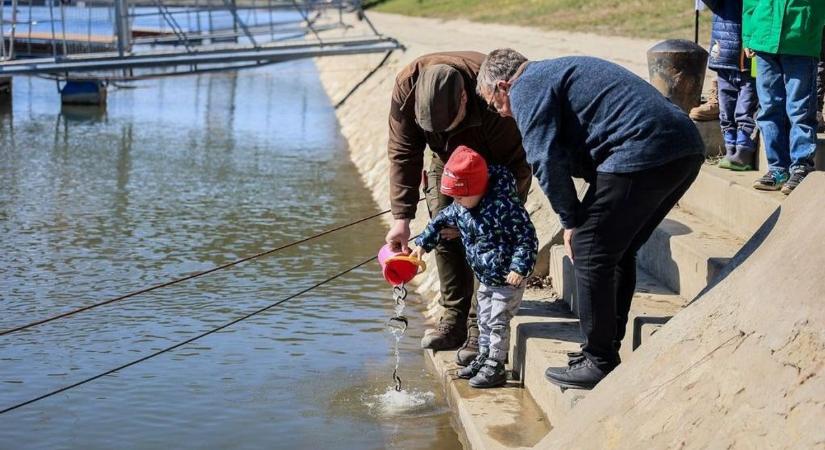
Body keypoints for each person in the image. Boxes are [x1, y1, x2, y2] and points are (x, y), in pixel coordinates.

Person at [476, 49, 705, 390]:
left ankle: (599, 360)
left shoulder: (526, 88)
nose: (503, 114)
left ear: (503, 86)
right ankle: (602, 350)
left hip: (644, 148)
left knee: (588, 246)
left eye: (496, 105)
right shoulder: (552, 72)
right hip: (681, 146)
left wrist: (570, 221)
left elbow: (544, 159)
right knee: (617, 249)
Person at [384, 52, 532, 366]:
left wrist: (485, 218)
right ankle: (453, 318)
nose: (443, 132)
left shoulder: (493, 91)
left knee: (489, 237)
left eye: (449, 124)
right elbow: (403, 153)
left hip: (499, 163)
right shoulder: (405, 88)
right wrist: (402, 218)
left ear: (465, 97)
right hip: (447, 162)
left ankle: (479, 326)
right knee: (442, 226)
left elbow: (519, 163)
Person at [412, 146, 537, 388]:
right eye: (454, 197)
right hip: (485, 278)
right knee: (483, 321)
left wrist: (519, 268)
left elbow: (526, 237)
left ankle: (496, 366)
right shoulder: (462, 206)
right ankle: (484, 357)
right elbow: (439, 221)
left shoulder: (504, 206)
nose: (456, 202)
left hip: (506, 281)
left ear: (478, 188)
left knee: (498, 322)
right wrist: (422, 246)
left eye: (460, 196)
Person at [744, 0, 825, 193]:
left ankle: (801, 166)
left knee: (801, 109)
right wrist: (748, 35)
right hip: (763, 38)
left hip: (801, 40)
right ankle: (777, 169)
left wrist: (812, 22)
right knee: (768, 109)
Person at [703, 0, 759, 171]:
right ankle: (730, 148)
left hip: (750, 54)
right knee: (726, 107)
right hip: (724, 53)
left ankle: (743, 150)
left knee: (746, 106)